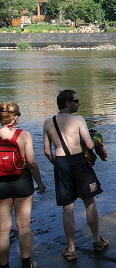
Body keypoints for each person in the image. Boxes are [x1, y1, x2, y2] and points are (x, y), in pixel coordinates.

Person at [43, 90, 108, 262]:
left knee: (68, 207)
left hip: (61, 163)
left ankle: (71, 249)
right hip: (79, 162)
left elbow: (46, 151)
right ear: (67, 103)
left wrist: (57, 165)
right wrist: (97, 139)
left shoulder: (48, 122)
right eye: (76, 101)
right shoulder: (78, 120)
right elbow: (89, 144)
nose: (79, 104)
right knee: (89, 202)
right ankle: (96, 241)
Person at [0, 103, 45, 268]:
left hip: (1, 184)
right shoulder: (24, 135)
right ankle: (27, 264)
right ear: (16, 117)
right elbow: (32, 163)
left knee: (3, 229)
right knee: (24, 225)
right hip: (21, 180)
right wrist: (40, 183)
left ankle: (4, 265)